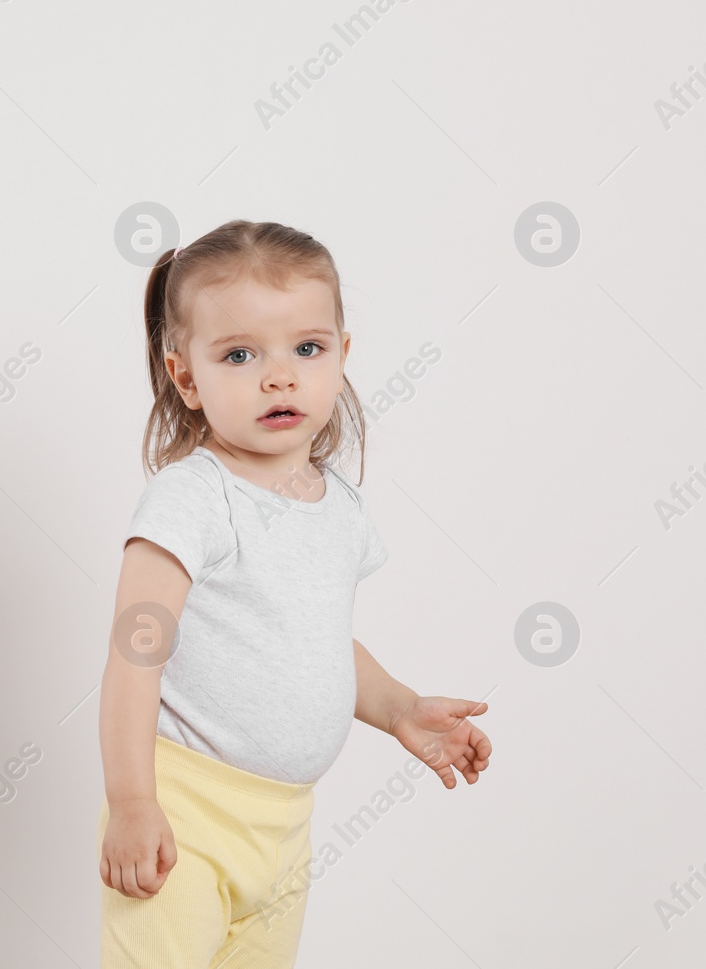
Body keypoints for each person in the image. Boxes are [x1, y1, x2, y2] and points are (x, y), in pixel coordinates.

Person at [97, 220, 493, 967]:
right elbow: (133, 659)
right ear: (186, 376)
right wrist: (132, 802)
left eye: (306, 349)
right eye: (239, 354)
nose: (278, 376)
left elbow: (312, 638)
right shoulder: (192, 500)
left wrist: (400, 707)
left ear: (342, 357)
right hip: (186, 811)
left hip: (284, 828)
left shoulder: (338, 505)